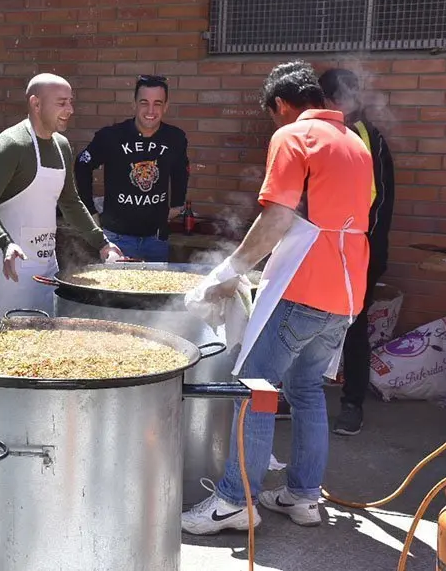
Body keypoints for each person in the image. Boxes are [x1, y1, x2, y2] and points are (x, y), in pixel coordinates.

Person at [180, 61, 372, 535]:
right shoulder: (355, 143)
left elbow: (277, 219)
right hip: (346, 292)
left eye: (272, 115)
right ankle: (303, 496)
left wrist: (228, 271)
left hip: (304, 288)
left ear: (281, 105)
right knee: (306, 391)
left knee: (254, 387)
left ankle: (233, 501)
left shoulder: (293, 136)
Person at [0, 74, 122, 316]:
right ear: (36, 103)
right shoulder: (12, 145)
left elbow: (70, 202)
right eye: (61, 103)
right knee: (15, 325)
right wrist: (5, 243)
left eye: (70, 102)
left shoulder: (62, 146)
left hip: (45, 256)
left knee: (47, 322)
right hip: (9, 258)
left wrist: (102, 244)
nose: (70, 110)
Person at [319, 68, 395, 436]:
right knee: (307, 323)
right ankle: (297, 395)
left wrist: (360, 253)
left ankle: (352, 404)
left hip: (359, 253)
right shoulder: (322, 133)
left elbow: (375, 204)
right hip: (323, 252)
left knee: (353, 327)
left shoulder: (366, 138)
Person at [75, 74, 190, 261]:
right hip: (117, 239)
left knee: (157, 281)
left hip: (157, 238)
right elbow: (82, 164)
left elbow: (181, 169)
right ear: (134, 104)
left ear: (166, 106)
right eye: (144, 103)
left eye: (158, 103)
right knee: (116, 282)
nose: (150, 110)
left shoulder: (175, 138)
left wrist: (178, 203)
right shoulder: (111, 136)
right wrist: (89, 209)